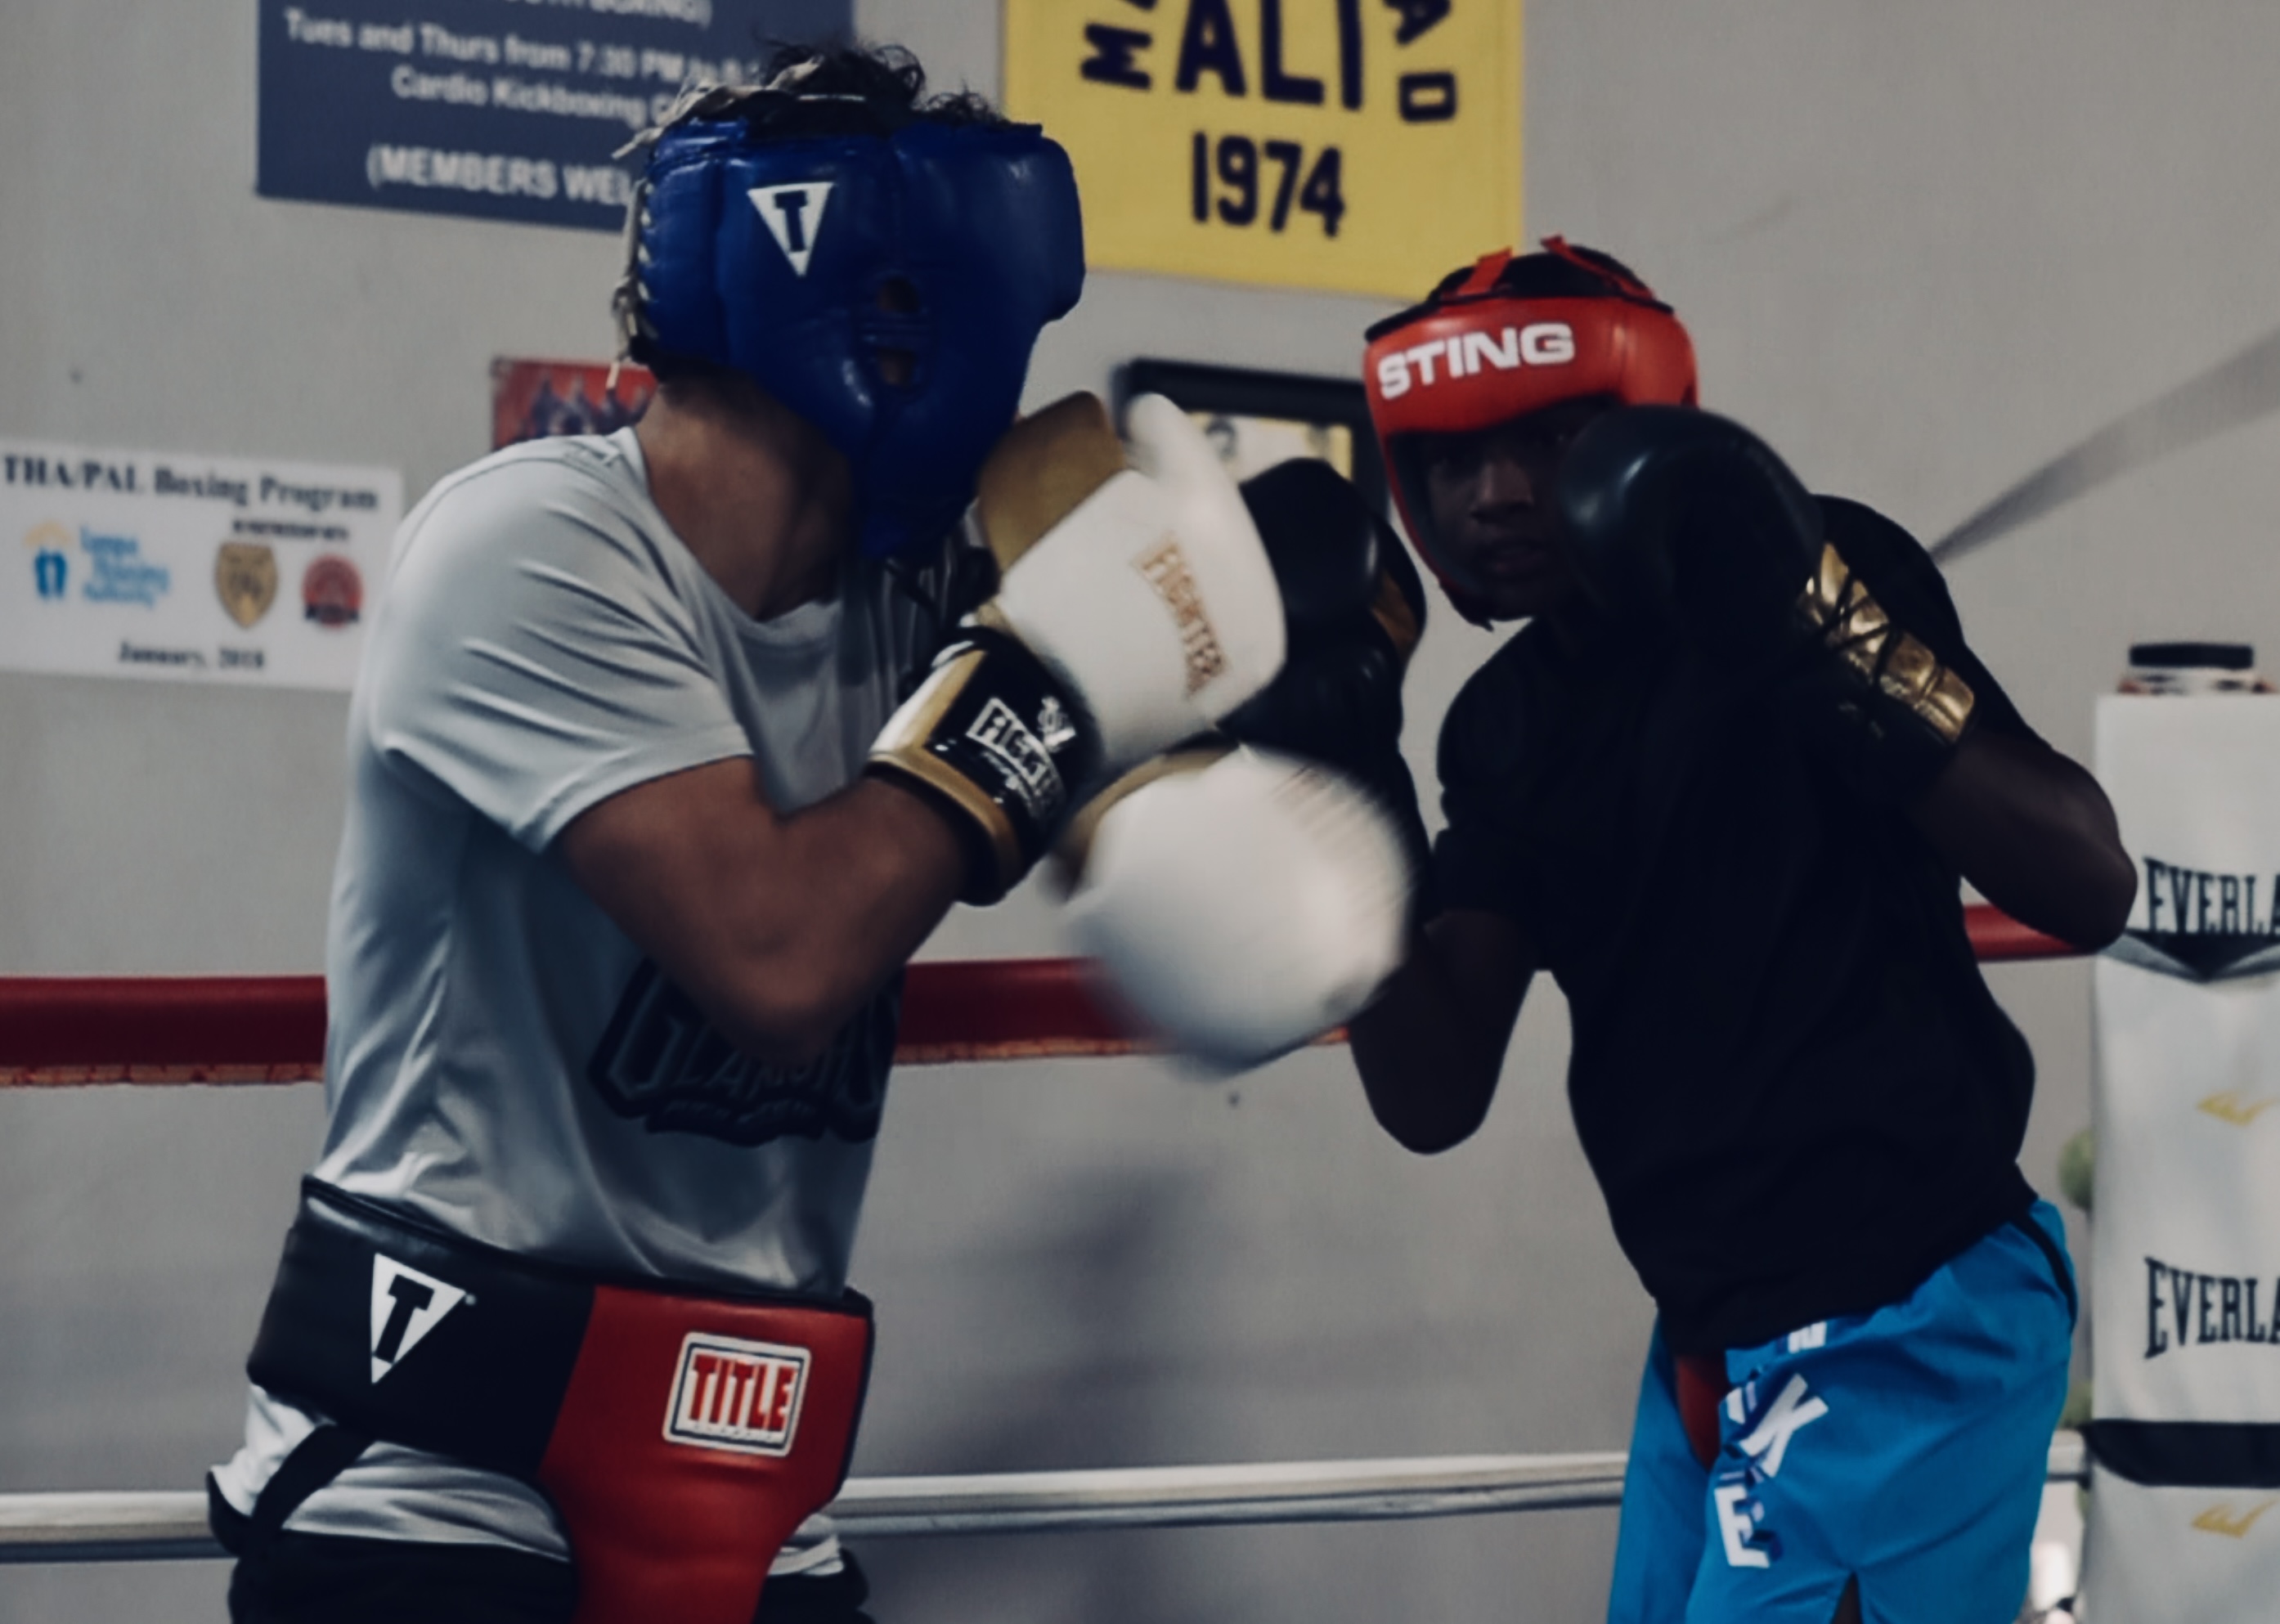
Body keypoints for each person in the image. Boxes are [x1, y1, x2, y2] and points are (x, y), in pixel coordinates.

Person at [204, 45, 1305, 1624]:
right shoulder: (530, 546)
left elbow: (1252, 932)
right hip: (436, 1487)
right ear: (911, 319)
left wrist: (1297, 694)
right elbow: (778, 955)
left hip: (748, 1480)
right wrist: (1048, 678)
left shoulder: (921, 589)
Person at [1345, 239, 2139, 1624]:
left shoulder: (1832, 562)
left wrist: (1816, 632)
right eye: (1455, 459)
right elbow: (1430, 1091)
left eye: (1555, 436)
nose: (1501, 494)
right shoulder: (1505, 726)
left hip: (1915, 1311)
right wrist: (1337, 766)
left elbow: (2087, 878)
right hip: (1710, 1338)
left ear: (1653, 427)